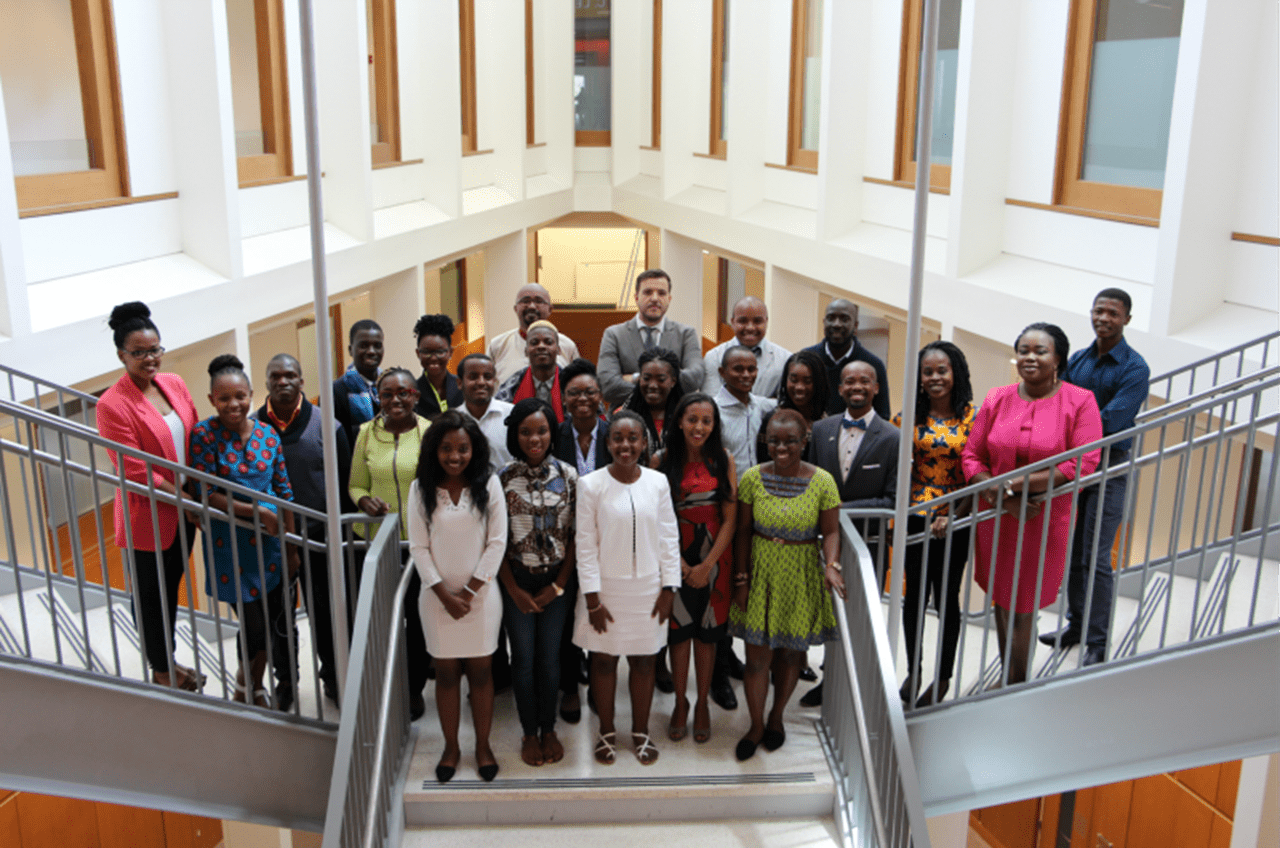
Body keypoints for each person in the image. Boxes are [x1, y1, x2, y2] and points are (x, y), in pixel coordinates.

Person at [962, 323, 1102, 685]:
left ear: (1058, 358)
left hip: (1044, 518)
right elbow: (972, 456)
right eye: (1023, 350)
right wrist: (997, 491)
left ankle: (1016, 680)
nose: (1030, 357)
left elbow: (1082, 463)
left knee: (1024, 605)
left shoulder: (1080, 401)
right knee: (1001, 598)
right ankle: (1010, 671)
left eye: (1040, 351)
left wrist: (1016, 484)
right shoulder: (997, 398)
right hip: (997, 515)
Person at [97, 302, 204, 692]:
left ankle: (168, 659)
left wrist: (197, 492)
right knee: (149, 596)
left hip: (183, 511)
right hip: (148, 516)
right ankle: (161, 670)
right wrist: (187, 499)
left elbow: (193, 437)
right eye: (138, 352)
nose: (149, 358)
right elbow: (136, 470)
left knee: (171, 587)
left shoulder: (173, 382)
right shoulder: (112, 404)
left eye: (155, 349)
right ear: (121, 355)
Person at [1041, 289, 1149, 666]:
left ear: (1126, 320)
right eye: (1098, 310)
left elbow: (1111, 422)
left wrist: (1071, 428)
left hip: (1109, 466)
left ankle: (1099, 641)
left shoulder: (1135, 368)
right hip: (1076, 466)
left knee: (1096, 556)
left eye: (1113, 313)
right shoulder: (1080, 360)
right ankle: (1077, 625)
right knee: (1074, 552)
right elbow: (1058, 402)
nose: (1104, 318)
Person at [729, 410, 844, 761]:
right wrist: (742, 578)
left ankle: (777, 718)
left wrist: (833, 565)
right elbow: (743, 531)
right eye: (774, 440)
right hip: (761, 572)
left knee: (791, 654)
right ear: (766, 441)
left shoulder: (823, 481)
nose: (782, 447)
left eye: (790, 441)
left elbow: (832, 531)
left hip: (800, 574)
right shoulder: (751, 478)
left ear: (803, 441)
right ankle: (755, 725)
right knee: (756, 657)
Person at [189, 355, 298, 709]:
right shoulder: (204, 435)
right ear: (212, 401)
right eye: (224, 399)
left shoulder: (267, 434)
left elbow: (285, 491)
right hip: (230, 547)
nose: (233, 404)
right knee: (252, 624)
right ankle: (246, 685)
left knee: (269, 622)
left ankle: (249, 687)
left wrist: (293, 547)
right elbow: (205, 492)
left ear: (251, 394)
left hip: (271, 546)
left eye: (240, 396)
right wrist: (256, 511)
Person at [574, 411, 681, 766]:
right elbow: (585, 545)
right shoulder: (590, 484)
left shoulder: (657, 482)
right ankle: (606, 730)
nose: (625, 445)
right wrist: (592, 599)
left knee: (645, 662)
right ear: (608, 443)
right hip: (604, 591)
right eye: (618, 438)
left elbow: (669, 536)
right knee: (603, 663)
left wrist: (669, 588)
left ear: (644, 443)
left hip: (649, 588)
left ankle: (640, 731)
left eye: (633, 438)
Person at [408, 412, 508, 783]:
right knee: (446, 675)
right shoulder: (420, 488)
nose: (454, 456)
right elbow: (418, 547)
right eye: (446, 448)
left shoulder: (489, 484)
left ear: (474, 449)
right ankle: (451, 747)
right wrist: (445, 595)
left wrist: (468, 592)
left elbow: (497, 542)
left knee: (482, 673)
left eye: (462, 448)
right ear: (434, 450)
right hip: (436, 599)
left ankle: (483, 746)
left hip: (481, 598)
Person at [257, 353, 351, 709]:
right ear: (266, 382)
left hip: (319, 539)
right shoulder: (253, 428)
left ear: (301, 380)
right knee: (279, 616)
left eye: (291, 375)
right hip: (270, 540)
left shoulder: (329, 425)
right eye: (275, 375)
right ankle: (287, 682)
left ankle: (332, 677)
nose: (283, 381)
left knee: (324, 613)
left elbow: (343, 486)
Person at [804, 359, 899, 707]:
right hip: (824, 544)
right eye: (849, 381)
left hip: (867, 545)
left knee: (858, 617)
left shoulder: (892, 437)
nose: (856, 387)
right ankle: (830, 682)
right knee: (830, 616)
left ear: (876, 388)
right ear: (840, 388)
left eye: (865, 381)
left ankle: (854, 687)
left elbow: (891, 500)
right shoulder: (821, 429)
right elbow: (811, 482)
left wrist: (839, 509)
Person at [892, 342, 975, 708]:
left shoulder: (975, 417)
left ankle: (942, 678)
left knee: (946, 600)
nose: (935, 378)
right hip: (915, 518)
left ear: (955, 372)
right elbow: (896, 468)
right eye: (928, 372)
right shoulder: (907, 416)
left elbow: (979, 473)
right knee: (913, 598)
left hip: (956, 518)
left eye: (942, 370)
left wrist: (953, 512)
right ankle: (915, 670)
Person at [348, 368, 433, 719]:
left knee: (416, 618)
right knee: (382, 620)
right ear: (377, 398)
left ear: (415, 395)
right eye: (386, 394)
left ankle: (413, 689)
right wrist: (364, 501)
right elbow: (355, 484)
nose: (394, 400)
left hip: (418, 545)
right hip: (376, 545)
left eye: (403, 393)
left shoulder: (429, 432)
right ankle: (385, 684)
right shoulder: (366, 434)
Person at [498, 399, 578, 768]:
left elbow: (577, 536)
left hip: (557, 582)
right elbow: (496, 540)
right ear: (515, 434)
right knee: (524, 661)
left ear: (552, 433)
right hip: (516, 580)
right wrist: (513, 590)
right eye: (526, 431)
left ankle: (549, 729)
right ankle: (529, 732)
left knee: (550, 660)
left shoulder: (570, 475)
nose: (535, 438)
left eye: (542, 430)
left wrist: (559, 585)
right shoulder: (501, 479)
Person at [654, 393, 737, 744]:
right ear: (679, 422)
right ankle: (680, 703)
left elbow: (730, 519)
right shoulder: (661, 460)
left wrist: (706, 564)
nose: (699, 427)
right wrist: (683, 565)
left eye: (706, 420)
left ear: (714, 425)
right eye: (692, 419)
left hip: (715, 561)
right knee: (678, 633)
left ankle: (702, 703)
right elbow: (656, 519)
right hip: (674, 559)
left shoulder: (724, 460)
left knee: (707, 634)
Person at [553, 358, 610, 724]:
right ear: (564, 398)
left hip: (611, 539)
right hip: (564, 541)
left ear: (600, 396)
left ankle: (600, 680)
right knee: (569, 610)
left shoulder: (615, 432)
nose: (583, 398)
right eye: (574, 393)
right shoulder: (553, 434)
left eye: (590, 391)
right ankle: (570, 686)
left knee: (603, 608)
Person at [598, 269, 705, 408]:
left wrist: (634, 378)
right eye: (648, 292)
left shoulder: (685, 334)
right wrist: (667, 384)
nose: (655, 298)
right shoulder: (614, 334)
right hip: (626, 420)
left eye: (661, 293)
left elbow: (694, 379)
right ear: (636, 297)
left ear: (669, 299)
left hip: (672, 421)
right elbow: (607, 386)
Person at [803, 300, 890, 418]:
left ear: (855, 326)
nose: (836, 324)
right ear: (823, 322)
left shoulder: (873, 364)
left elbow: (882, 415)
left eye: (844, 319)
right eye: (831, 318)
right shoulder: (806, 358)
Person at [488, 283, 582, 383]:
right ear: (516, 309)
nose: (532, 306)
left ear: (550, 309)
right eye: (525, 301)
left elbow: (577, 384)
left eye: (539, 301)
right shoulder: (497, 345)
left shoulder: (567, 346)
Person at [703, 296, 792, 399]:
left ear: (766, 322)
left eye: (757, 321)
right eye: (743, 321)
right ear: (733, 322)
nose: (750, 327)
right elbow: (711, 401)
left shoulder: (785, 359)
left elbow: (783, 404)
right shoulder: (714, 357)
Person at [756, 349, 831, 465]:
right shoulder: (773, 419)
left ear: (818, 382)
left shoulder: (827, 421)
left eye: (807, 381)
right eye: (793, 380)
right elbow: (763, 463)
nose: (799, 387)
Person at [714, 346, 778, 476]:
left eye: (751, 369)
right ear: (722, 372)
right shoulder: (713, 410)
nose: (746, 375)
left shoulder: (762, 405)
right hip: (727, 491)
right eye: (738, 369)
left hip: (758, 490)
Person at [495, 321, 567, 422]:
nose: (541, 346)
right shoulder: (512, 386)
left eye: (548, 342)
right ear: (526, 351)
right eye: (534, 343)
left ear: (558, 350)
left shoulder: (571, 383)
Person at [616, 347, 684, 453]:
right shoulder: (622, 415)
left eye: (661, 379)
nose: (652, 385)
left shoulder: (686, 416)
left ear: (673, 381)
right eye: (646, 378)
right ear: (639, 379)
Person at [456, 353, 513, 473]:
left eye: (487, 377)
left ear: (495, 382)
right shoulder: (452, 420)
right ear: (459, 383)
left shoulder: (512, 415)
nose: (481, 382)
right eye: (473, 377)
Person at [333, 319, 385, 447]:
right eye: (363, 346)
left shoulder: (390, 384)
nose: (371, 351)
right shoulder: (336, 392)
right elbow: (337, 443)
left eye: (377, 345)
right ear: (351, 350)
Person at [413, 314, 464, 421]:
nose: (433, 358)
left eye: (440, 351)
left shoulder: (462, 387)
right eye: (426, 352)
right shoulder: (412, 392)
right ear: (418, 353)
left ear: (450, 352)